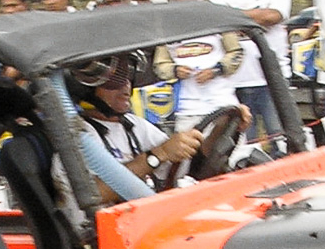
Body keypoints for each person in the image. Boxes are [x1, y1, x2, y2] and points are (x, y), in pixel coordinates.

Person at [55, 54, 211, 231]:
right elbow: (94, 193)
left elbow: (182, 162)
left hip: (144, 230)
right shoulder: (76, 137)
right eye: (115, 80)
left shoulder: (133, 125)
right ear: (85, 88)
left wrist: (220, 128)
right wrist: (158, 154)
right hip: (102, 244)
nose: (125, 86)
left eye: (128, 78)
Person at [210, 0, 293, 154]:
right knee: (245, 140)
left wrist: (234, 17)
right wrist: (254, 17)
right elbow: (217, 22)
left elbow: (273, 16)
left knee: (280, 135)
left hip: (271, 76)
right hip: (235, 77)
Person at [153, 0, 245, 133]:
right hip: (186, 108)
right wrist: (175, 70)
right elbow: (160, 64)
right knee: (189, 155)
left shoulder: (217, 19)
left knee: (230, 152)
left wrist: (217, 70)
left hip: (222, 102)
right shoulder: (165, 26)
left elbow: (236, 52)